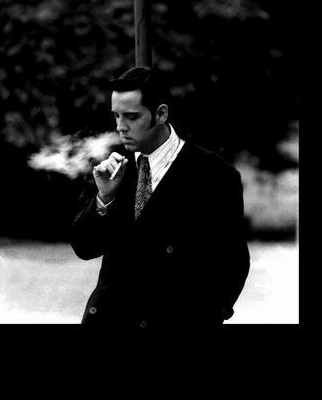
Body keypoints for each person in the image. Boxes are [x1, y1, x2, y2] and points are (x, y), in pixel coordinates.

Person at [70, 66, 250, 333]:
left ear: (161, 113)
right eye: (116, 116)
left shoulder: (214, 174)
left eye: (132, 116)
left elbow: (232, 263)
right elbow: (85, 247)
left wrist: (206, 318)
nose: (120, 127)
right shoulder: (112, 167)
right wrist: (104, 198)